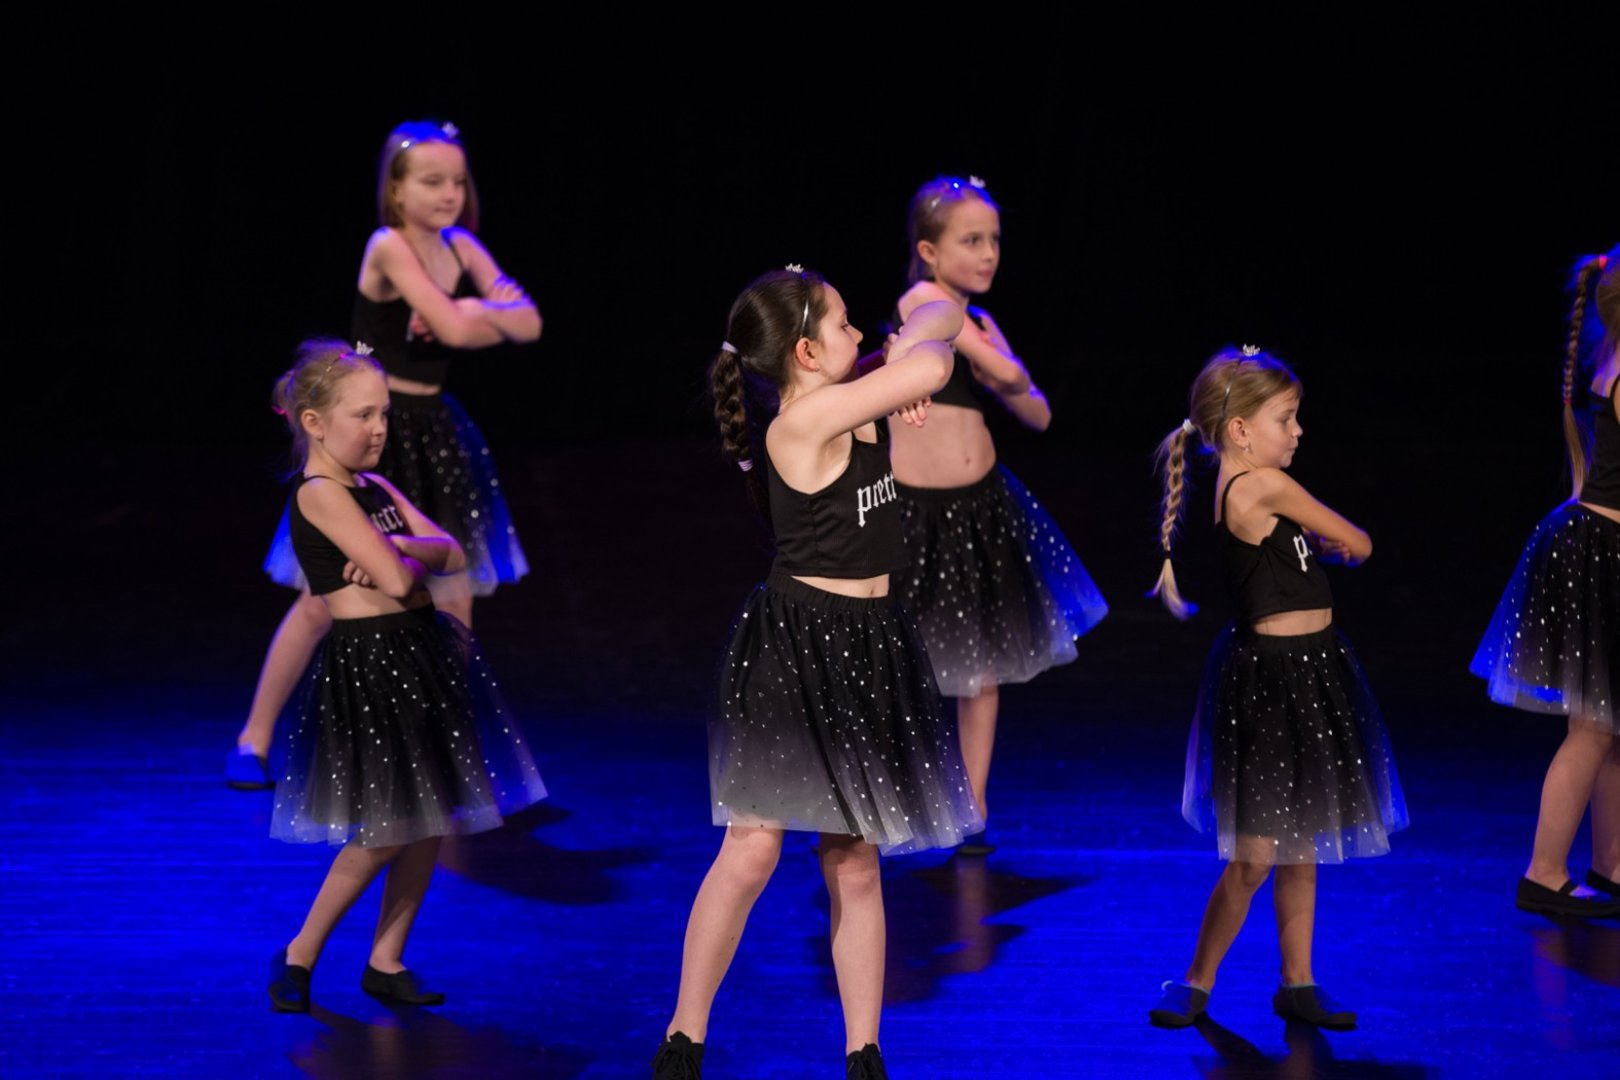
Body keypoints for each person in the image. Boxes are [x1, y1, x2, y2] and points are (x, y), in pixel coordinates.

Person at [652, 268, 982, 1079]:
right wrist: (906, 360)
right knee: (752, 849)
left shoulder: (853, 397)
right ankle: (684, 1036)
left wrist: (898, 359)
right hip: (798, 648)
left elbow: (946, 314)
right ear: (804, 351)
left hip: (869, 645)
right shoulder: (801, 423)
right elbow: (936, 354)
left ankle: (864, 1052)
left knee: (854, 860)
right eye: (843, 325)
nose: (860, 335)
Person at [228, 120, 539, 790]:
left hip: (436, 432)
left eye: (458, 182)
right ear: (396, 190)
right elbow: (460, 327)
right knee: (323, 600)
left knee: (453, 599)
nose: (449, 194)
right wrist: (480, 312)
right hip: (371, 429)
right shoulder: (388, 245)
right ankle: (254, 737)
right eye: (431, 182)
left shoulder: (461, 246)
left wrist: (472, 310)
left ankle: (441, 746)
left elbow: (530, 322)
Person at [264, 339, 545, 1013]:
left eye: (384, 413)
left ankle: (386, 959)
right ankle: (300, 951)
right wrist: (402, 558)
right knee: (386, 830)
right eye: (363, 415)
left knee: (431, 816)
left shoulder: (376, 489)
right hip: (371, 667)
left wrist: (398, 547)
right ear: (314, 422)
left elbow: (450, 553)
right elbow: (396, 579)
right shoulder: (321, 495)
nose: (380, 429)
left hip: (420, 655)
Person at [1145, 347, 1407, 1032]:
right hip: (1273, 680)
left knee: (1303, 843)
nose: (1297, 431)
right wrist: (1343, 544)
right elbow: (1360, 542)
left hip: (1313, 668)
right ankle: (1196, 980)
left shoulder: (1258, 487)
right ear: (1240, 430)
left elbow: (1301, 552)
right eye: (1285, 419)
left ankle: (1299, 981)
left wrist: (1320, 548)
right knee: (1256, 855)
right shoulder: (1261, 486)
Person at [888, 176, 1107, 852]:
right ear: (929, 251)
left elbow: (1036, 411)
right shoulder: (922, 303)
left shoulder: (978, 321)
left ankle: (973, 805)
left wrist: (1000, 362)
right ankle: (883, 795)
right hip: (913, 516)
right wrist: (998, 366)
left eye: (994, 241)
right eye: (971, 241)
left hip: (979, 510)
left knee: (979, 671)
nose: (988, 254)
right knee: (903, 662)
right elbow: (1009, 378)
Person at [1471, 249, 1620, 919]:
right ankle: (1544, 873)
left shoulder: (1611, 358)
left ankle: (1611, 867)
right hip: (1605, 552)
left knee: (1609, 727)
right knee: (1593, 728)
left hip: (1601, 547)